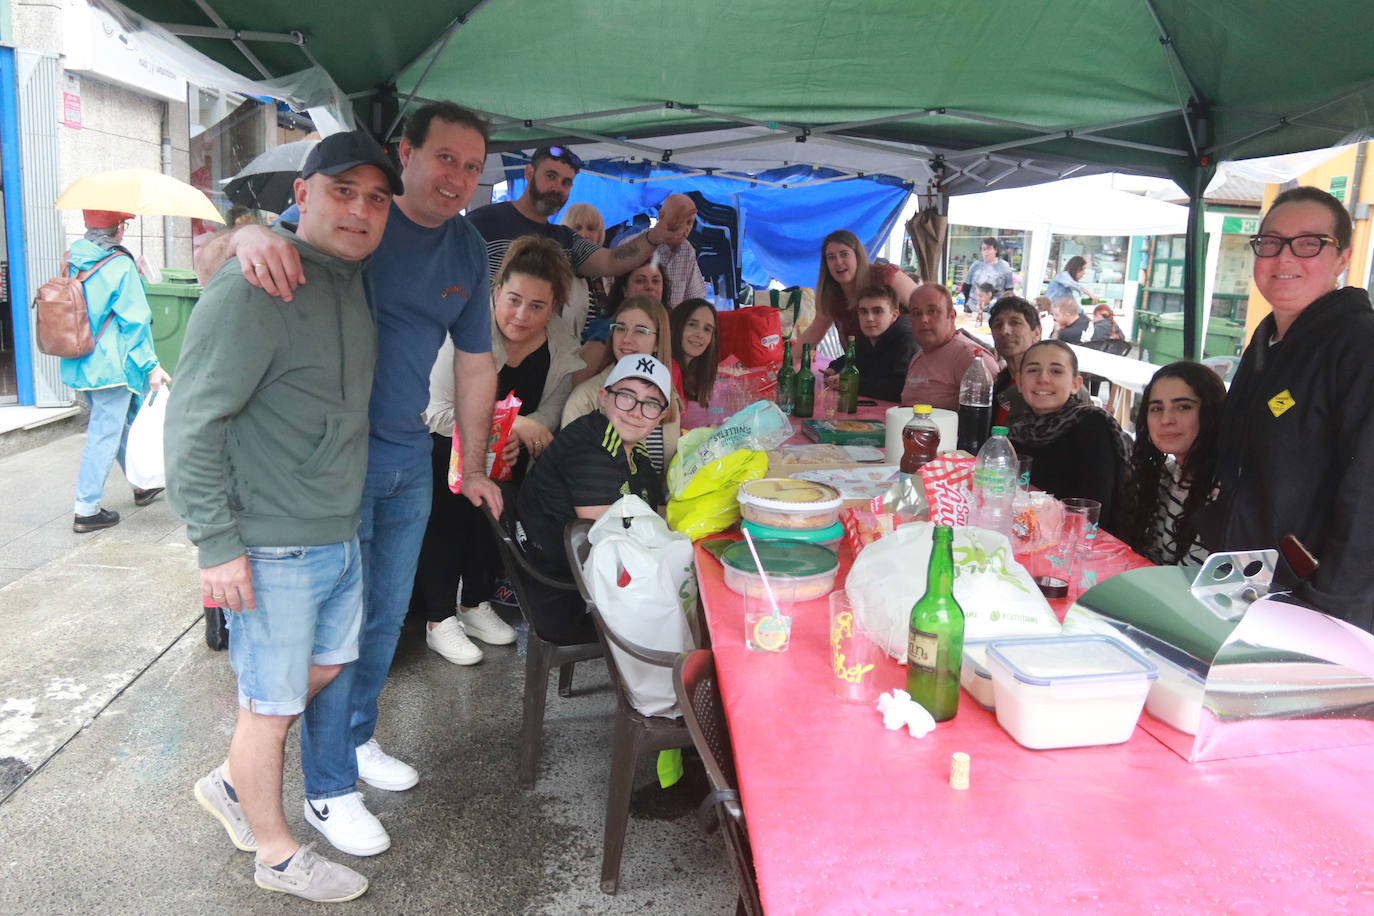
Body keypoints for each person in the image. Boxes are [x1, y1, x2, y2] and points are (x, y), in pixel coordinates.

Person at [193, 103, 502, 857]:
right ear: (408, 155)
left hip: (408, 461)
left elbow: (475, 364)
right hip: (330, 469)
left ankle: (346, 746)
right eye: (445, 158)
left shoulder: (466, 248)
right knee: (333, 639)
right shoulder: (361, 218)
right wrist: (247, 233)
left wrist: (476, 464)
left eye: (472, 165)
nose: (458, 177)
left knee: (377, 628)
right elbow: (219, 266)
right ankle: (326, 789)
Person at [168, 131, 401, 902]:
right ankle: (274, 853)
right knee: (268, 708)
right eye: (343, 190)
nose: (361, 210)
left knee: (324, 672)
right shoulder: (253, 286)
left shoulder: (347, 281)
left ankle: (236, 782)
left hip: (335, 532)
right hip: (270, 543)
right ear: (301, 195)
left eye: (375, 197)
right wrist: (217, 545)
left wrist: (247, 231)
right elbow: (194, 422)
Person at [1201, 186, 1374, 630]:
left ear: (1342, 258)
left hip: (1317, 607)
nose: (1286, 258)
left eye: (1310, 243)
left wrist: (1330, 610)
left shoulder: (1359, 344)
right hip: (1245, 584)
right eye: (1271, 242)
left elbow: (1367, 491)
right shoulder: (1269, 341)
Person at [412, 236, 582, 665]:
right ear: (496, 290)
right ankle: (438, 619)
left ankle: (475, 602)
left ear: (555, 307)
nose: (522, 316)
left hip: (508, 452)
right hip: (447, 445)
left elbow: (551, 411)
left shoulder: (560, 341)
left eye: (538, 307)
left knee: (499, 515)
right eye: (513, 299)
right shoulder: (466, 328)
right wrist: (504, 429)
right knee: (449, 513)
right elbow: (434, 412)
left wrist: (516, 436)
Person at [517, 354, 671, 645]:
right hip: (567, 601)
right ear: (604, 397)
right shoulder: (591, 447)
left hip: (584, 586)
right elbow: (607, 542)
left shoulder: (636, 454)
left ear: (662, 416)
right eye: (626, 396)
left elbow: (652, 515)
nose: (636, 411)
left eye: (650, 403)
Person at [63, 209, 171, 533]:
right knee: (104, 433)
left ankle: (141, 485)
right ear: (118, 228)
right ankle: (86, 509)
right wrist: (151, 365)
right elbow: (134, 321)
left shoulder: (73, 258)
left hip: (81, 360)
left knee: (119, 425)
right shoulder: (119, 264)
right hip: (113, 365)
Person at [467, 145, 694, 294]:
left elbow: (611, 261)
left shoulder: (565, 240)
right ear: (528, 174)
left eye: (566, 182)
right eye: (550, 176)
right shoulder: (484, 222)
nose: (557, 187)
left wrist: (655, 236)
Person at [1007, 340, 1131, 532]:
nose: (1043, 379)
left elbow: (1093, 512)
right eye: (1033, 370)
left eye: (1056, 371)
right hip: (1028, 532)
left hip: (1078, 544)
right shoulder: (1019, 429)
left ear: (1075, 384)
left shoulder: (1092, 425)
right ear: (1020, 383)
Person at [1122, 362, 1226, 566]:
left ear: (1211, 414)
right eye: (1157, 408)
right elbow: (1151, 555)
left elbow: (1189, 580)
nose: (1166, 419)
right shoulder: (1169, 474)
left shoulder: (1224, 491)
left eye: (1183, 407)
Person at [563, 296, 680, 473]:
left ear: (658, 342)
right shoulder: (585, 398)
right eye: (620, 329)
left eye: (640, 331)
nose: (626, 339)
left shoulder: (669, 396)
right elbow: (571, 470)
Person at [794, 229, 917, 359]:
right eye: (831, 257)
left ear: (857, 256)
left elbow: (926, 305)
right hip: (864, 368)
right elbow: (813, 333)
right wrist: (788, 364)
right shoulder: (832, 294)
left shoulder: (885, 276)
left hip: (906, 363)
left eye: (844, 254)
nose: (839, 262)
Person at [899, 284, 999, 410]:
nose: (924, 319)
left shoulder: (971, 357)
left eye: (932, 311)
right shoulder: (918, 357)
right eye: (917, 313)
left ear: (951, 316)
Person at [822, 284, 917, 402]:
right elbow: (853, 359)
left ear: (894, 315)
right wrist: (834, 368)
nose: (869, 318)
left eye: (877, 311)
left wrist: (852, 384)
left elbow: (898, 389)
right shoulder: (867, 338)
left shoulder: (907, 341)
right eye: (863, 312)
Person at [612, 193, 707, 308]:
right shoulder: (631, 246)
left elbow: (695, 302)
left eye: (689, 222)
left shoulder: (686, 250)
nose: (684, 228)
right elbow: (615, 297)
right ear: (661, 216)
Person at [558, 202, 612, 339]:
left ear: (599, 234)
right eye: (577, 228)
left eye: (591, 228)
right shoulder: (557, 273)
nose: (584, 234)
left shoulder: (609, 275)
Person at [670, 297, 718, 407]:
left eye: (707, 329)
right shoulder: (669, 369)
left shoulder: (694, 372)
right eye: (692, 324)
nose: (700, 334)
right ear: (676, 325)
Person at [960, 237, 1016, 303]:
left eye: (989, 249)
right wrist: (967, 302)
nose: (986, 252)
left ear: (996, 250)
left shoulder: (1004, 266)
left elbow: (1009, 290)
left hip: (996, 307)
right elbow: (966, 286)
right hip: (974, 306)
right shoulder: (975, 265)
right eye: (983, 249)